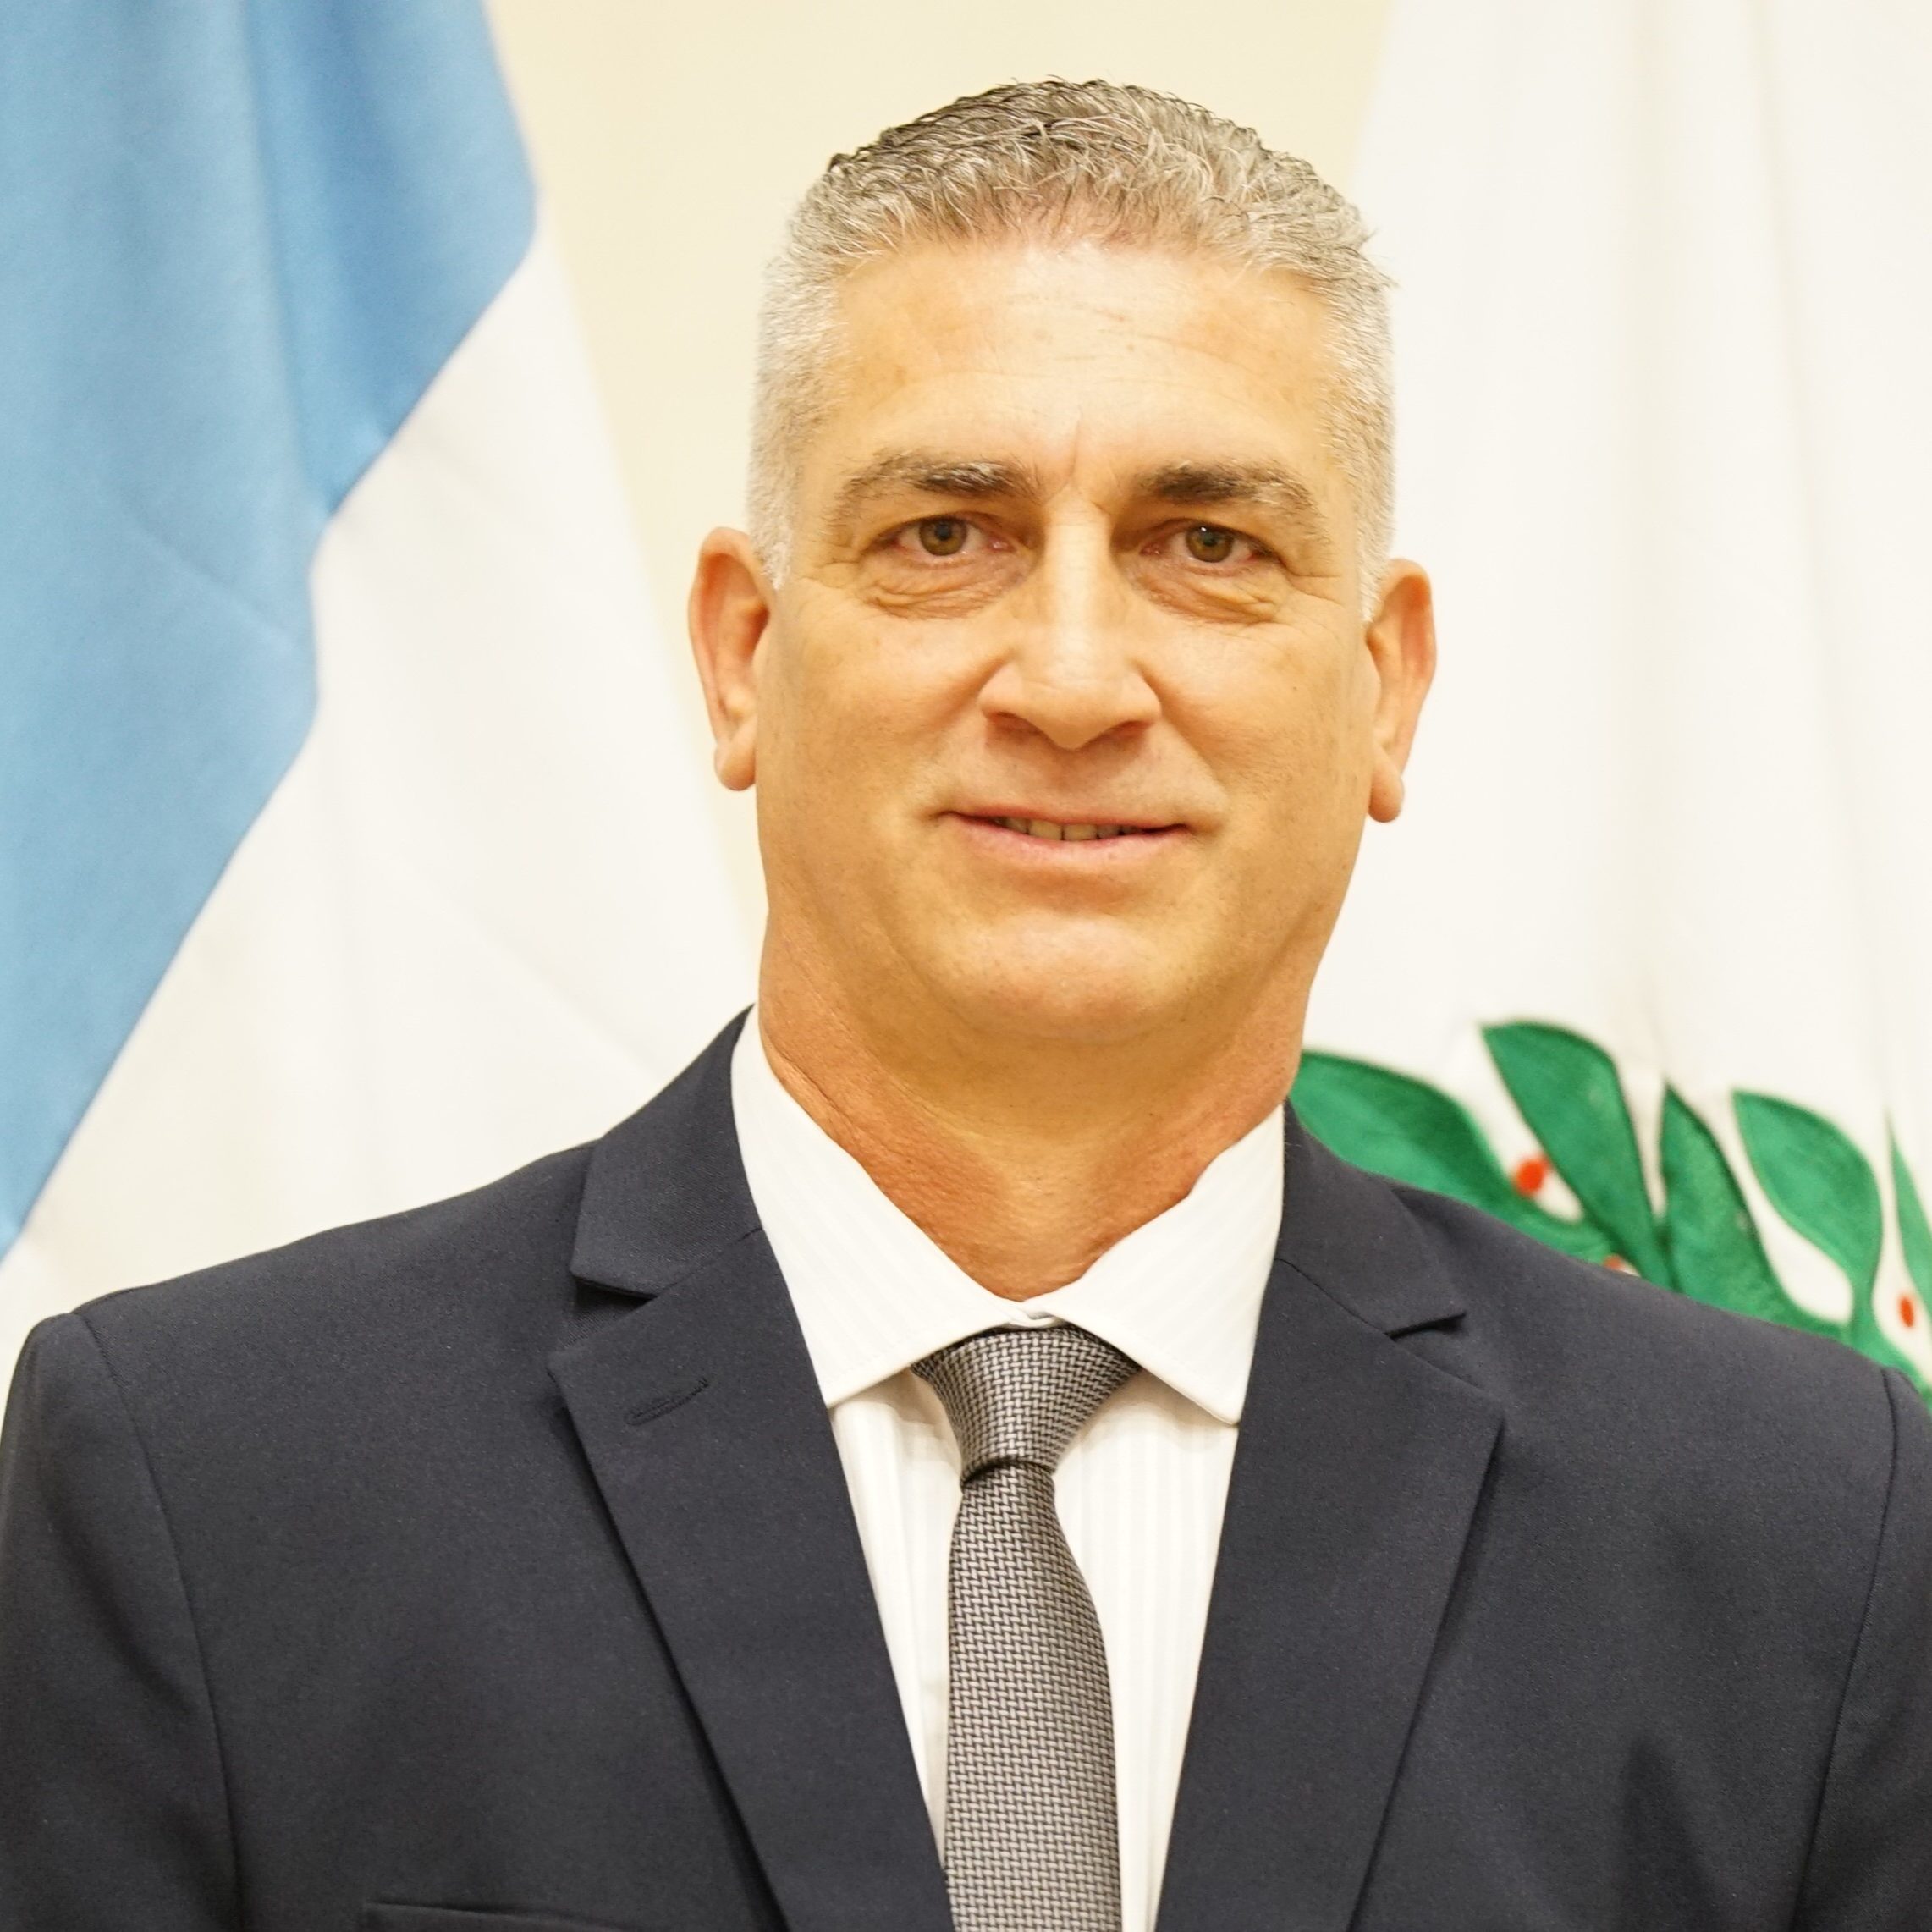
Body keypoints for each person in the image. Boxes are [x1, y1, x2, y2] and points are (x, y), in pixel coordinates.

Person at [3, 78, 1928, 1932]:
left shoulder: (1801, 1538)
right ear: (743, 653)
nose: (1073, 680)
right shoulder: (208, 1486)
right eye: (946, 535)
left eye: (1208, 545)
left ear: (1387, 687)